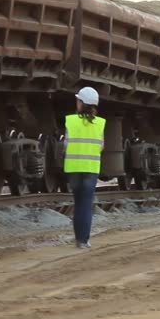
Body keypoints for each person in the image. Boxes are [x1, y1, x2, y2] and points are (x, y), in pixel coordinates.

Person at [64, 87, 105, 249]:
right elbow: (101, 146)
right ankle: (83, 240)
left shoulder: (71, 121)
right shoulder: (100, 124)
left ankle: (78, 239)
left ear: (81, 103)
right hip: (90, 169)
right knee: (86, 204)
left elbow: (66, 144)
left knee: (77, 202)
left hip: (74, 168)